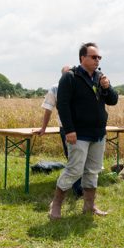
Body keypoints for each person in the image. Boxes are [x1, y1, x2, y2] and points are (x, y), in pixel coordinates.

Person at [48, 42, 119, 220]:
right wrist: (70, 130)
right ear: (82, 58)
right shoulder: (70, 77)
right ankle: (55, 205)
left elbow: (113, 100)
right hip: (78, 133)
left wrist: (107, 87)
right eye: (94, 57)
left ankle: (89, 206)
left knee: (93, 171)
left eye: (99, 57)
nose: (97, 60)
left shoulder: (99, 77)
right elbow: (62, 105)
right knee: (74, 170)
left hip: (98, 133)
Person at [36, 65, 83, 197]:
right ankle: (77, 189)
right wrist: (43, 128)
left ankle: (82, 188)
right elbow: (48, 109)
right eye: (66, 75)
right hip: (67, 128)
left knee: (82, 158)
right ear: (62, 76)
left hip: (83, 127)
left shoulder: (80, 84)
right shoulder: (55, 88)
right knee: (72, 158)